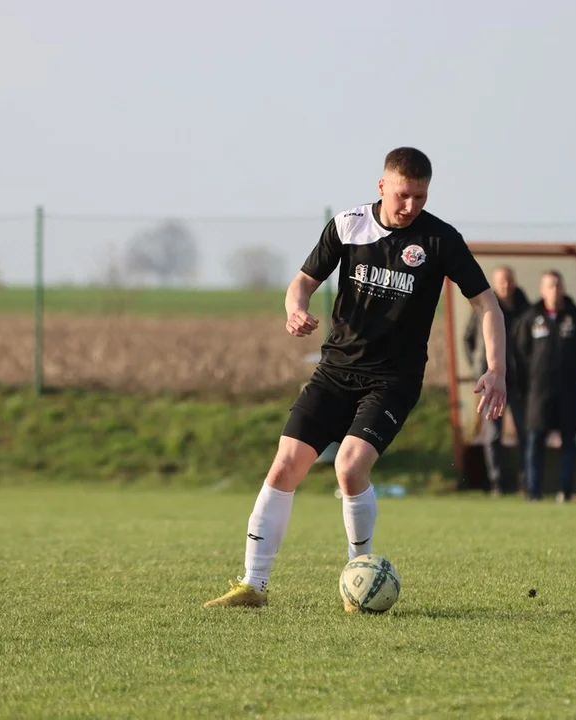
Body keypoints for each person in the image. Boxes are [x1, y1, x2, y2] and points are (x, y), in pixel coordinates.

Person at [204, 147, 508, 610]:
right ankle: (253, 586)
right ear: (382, 185)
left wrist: (496, 369)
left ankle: (360, 578)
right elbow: (303, 281)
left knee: (349, 467)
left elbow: (487, 303)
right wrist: (295, 308)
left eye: (421, 197)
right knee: (285, 464)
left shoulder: (440, 239)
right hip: (335, 371)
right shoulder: (349, 224)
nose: (412, 206)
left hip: (392, 380)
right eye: (404, 195)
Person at [513, 270, 576, 502]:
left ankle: (565, 490)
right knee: (535, 440)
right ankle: (533, 491)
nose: (554, 290)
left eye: (558, 286)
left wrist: (572, 367)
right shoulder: (530, 318)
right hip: (539, 391)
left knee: (570, 440)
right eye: (550, 286)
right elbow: (521, 351)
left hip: (569, 390)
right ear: (541, 290)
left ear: (564, 288)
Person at [463, 265, 530, 494]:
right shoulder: (484, 309)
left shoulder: (526, 310)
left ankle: (526, 480)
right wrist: (478, 368)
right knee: (493, 433)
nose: (506, 285)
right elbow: (468, 340)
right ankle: (497, 482)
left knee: (524, 431)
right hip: (493, 381)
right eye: (501, 281)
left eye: (509, 280)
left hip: (519, 382)